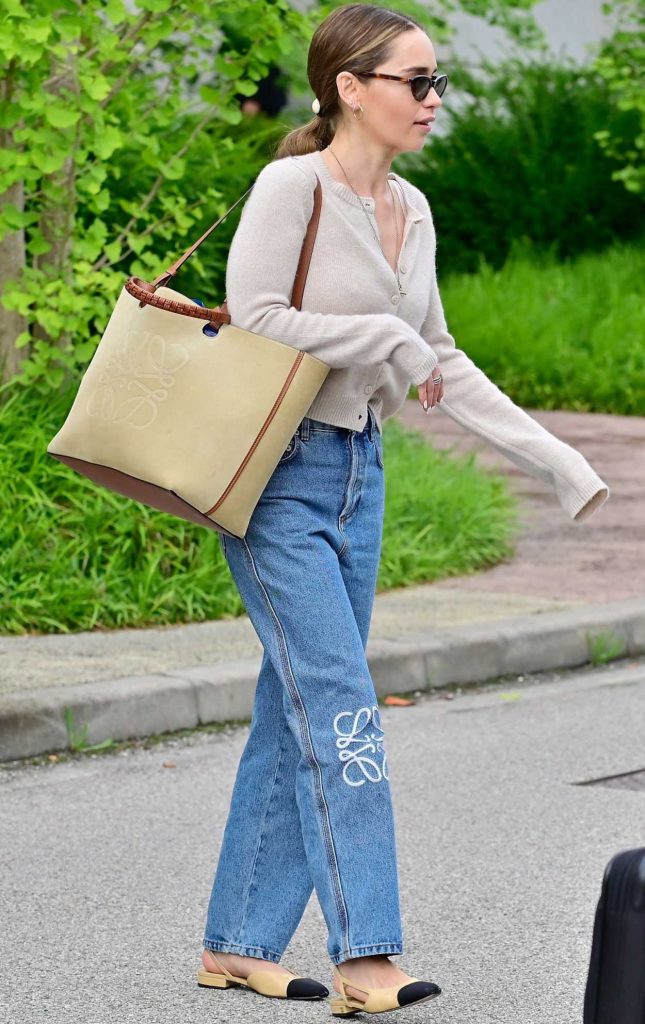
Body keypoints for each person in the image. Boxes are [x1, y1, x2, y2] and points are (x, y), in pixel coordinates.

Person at [197, 3, 609, 1017]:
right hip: (274, 477)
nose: (434, 99)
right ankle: (367, 952)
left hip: (359, 477)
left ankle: (237, 941)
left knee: (287, 710)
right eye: (415, 82)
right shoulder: (292, 186)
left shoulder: (412, 210)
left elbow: (442, 357)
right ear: (350, 88)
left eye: (437, 82)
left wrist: (559, 460)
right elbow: (255, 314)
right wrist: (385, 337)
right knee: (338, 707)